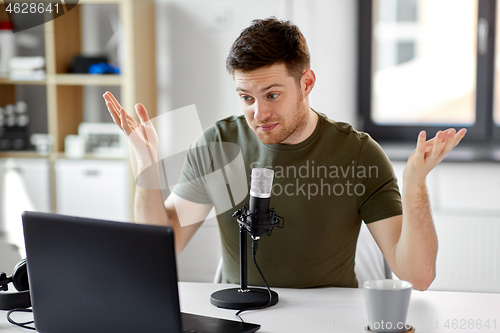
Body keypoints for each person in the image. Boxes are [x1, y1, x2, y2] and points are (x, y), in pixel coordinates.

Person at [103, 17, 466, 291]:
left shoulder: (357, 154)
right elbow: (158, 251)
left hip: (328, 321)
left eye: (272, 95)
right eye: (247, 97)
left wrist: (415, 183)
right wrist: (147, 167)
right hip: (241, 317)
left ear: (305, 84)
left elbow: (418, 276)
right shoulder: (220, 146)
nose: (258, 113)